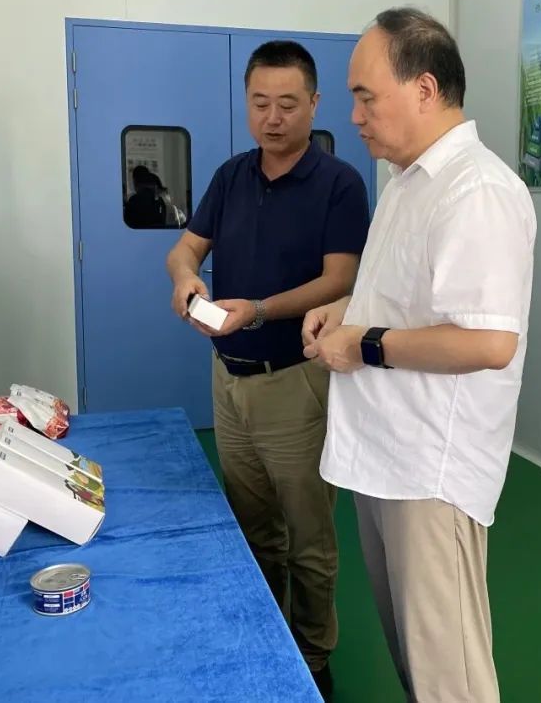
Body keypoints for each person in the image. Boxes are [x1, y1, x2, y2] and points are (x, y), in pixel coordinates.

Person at [303, 8, 537, 702]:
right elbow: (407, 296)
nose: (354, 116)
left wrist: (365, 342)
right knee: (416, 661)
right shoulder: (408, 183)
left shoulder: (478, 191)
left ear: (425, 89)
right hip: (385, 456)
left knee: (449, 679)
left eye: (366, 97)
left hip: (430, 471)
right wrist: (345, 312)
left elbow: (488, 341)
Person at [165, 40, 370, 696]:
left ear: (314, 103)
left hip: (296, 382)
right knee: (251, 528)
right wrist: (186, 277)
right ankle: (266, 638)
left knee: (308, 537)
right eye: (260, 103)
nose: (273, 118)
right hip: (229, 381)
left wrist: (257, 310)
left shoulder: (340, 184)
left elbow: (340, 279)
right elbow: (185, 249)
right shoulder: (231, 176)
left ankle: (312, 656)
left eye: (287, 104)